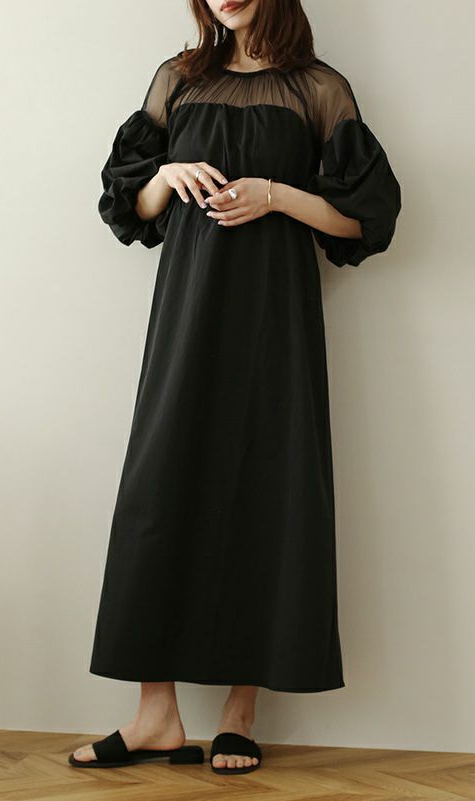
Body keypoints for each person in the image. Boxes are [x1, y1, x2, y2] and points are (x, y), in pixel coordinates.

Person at [70, 0, 401, 775]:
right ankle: (156, 715)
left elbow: (366, 217)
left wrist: (277, 195)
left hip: (273, 322)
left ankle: (238, 715)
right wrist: (164, 176)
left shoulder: (317, 88)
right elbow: (126, 205)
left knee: (263, 487)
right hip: (186, 315)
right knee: (158, 491)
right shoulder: (178, 80)